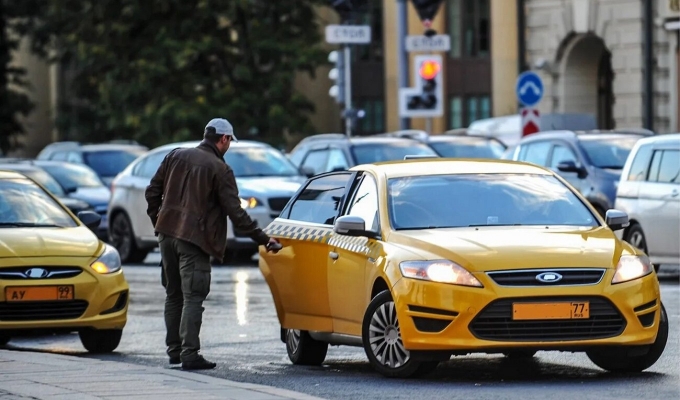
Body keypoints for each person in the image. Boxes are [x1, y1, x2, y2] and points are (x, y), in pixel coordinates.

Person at [145, 117, 281, 370]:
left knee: (173, 295)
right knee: (193, 296)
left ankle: (174, 351)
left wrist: (159, 220)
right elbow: (236, 213)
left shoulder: (175, 156)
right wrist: (263, 239)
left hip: (166, 234)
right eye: (229, 141)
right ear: (224, 139)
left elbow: (152, 192)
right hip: (194, 240)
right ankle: (189, 354)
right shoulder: (220, 169)